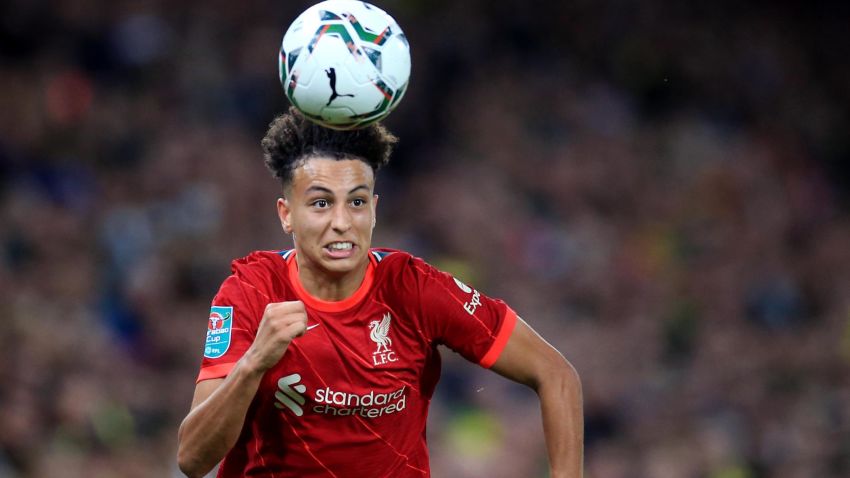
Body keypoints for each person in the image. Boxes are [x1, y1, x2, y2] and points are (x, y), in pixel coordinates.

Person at [176, 108, 583, 478]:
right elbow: (192, 459)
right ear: (287, 214)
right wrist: (253, 364)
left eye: (355, 202)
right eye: (320, 203)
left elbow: (556, 374)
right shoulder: (251, 290)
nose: (341, 222)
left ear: (374, 209)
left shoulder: (414, 289)